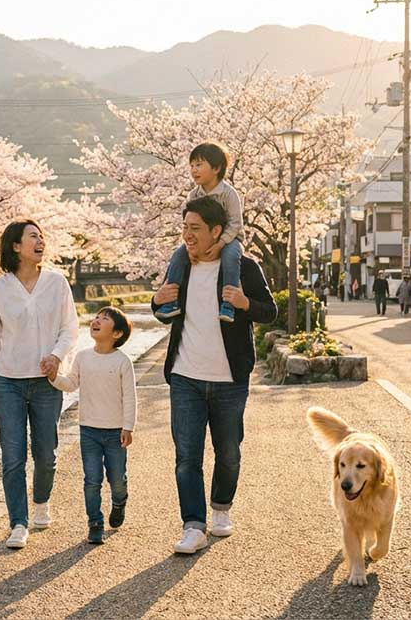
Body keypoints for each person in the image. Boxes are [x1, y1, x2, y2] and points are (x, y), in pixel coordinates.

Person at [150, 197, 277, 554]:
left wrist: (244, 305)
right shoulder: (181, 267)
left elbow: (270, 311)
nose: (187, 236)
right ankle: (193, 525)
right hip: (185, 375)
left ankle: (221, 507)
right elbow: (163, 310)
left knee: (229, 451)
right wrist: (156, 300)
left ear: (216, 232)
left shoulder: (244, 268)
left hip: (229, 379)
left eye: (195, 229)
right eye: (184, 228)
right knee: (187, 456)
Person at [0, 219, 80, 549]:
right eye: (33, 236)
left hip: (46, 383)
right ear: (16, 246)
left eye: (42, 236)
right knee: (13, 456)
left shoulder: (57, 282)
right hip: (8, 382)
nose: (40, 241)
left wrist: (56, 355)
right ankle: (17, 522)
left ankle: (41, 503)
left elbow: (70, 329)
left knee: (46, 454)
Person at [50, 307, 137, 545]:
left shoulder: (122, 362)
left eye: (104, 319)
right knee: (92, 479)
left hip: (115, 430)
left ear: (117, 333)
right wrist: (54, 377)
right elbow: (70, 383)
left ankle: (119, 501)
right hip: (88, 429)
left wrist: (128, 427)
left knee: (117, 478)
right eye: (96, 317)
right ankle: (95, 523)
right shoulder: (83, 357)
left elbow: (130, 397)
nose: (96, 321)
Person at [155, 142, 246, 324]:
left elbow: (236, 223)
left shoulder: (229, 194)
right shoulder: (193, 195)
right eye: (192, 166)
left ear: (217, 168)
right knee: (178, 256)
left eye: (199, 165)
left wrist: (220, 243)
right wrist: (191, 248)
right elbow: (190, 223)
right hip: (201, 241)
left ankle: (228, 304)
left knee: (230, 257)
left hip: (229, 239)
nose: (194, 170)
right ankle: (171, 301)